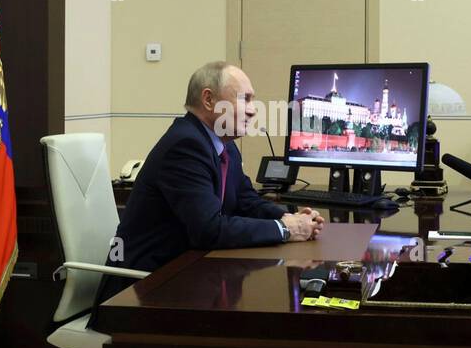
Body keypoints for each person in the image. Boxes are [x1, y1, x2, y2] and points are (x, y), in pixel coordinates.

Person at [96, 62, 326, 308]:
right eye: (244, 99)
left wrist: (293, 219)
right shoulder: (185, 145)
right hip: (144, 291)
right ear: (208, 100)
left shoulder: (224, 145)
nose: (252, 111)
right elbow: (209, 230)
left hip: (187, 275)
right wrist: (286, 230)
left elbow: (246, 200)